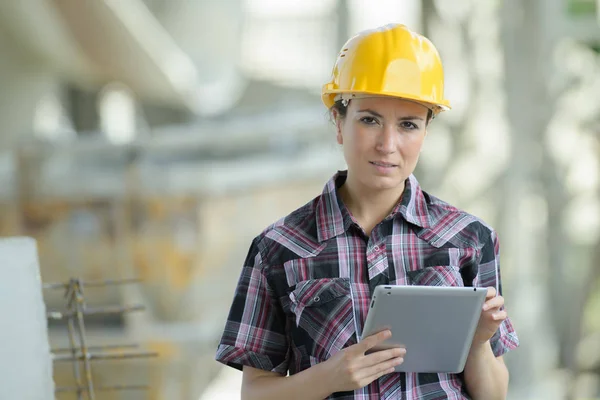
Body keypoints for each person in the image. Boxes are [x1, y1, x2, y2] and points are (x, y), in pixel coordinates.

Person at [215, 23, 519, 399]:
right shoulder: (277, 248)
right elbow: (254, 395)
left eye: (408, 125)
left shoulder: (470, 238)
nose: (388, 144)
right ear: (339, 123)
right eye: (369, 119)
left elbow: (494, 395)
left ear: (425, 133)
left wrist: (477, 341)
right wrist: (330, 376)